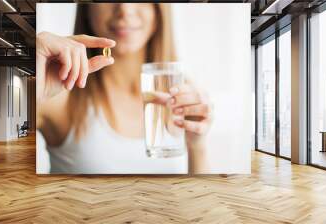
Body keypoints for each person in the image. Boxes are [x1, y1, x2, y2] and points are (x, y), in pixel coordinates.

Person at [36, 3, 211, 174]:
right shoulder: (59, 90)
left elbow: (198, 197)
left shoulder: (182, 90)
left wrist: (197, 146)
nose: (125, 10)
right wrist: (35, 79)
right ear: (87, 8)